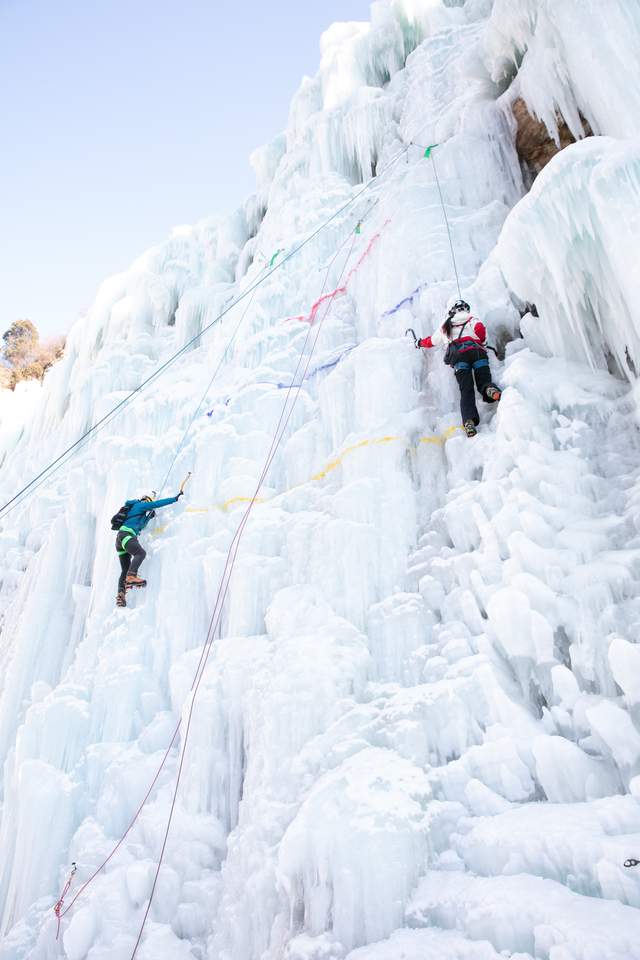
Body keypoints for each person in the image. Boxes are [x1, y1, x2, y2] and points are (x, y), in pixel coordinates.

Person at [416, 298, 501, 437]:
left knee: (466, 389)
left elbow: (432, 341)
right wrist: (483, 343)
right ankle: (489, 389)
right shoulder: (472, 319)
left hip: (459, 358)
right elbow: (480, 329)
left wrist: (419, 343)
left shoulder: (447, 324)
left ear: (453, 311)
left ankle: (469, 421)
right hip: (477, 352)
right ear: (466, 309)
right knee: (483, 380)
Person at [115, 492, 184, 607]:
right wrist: (174, 499)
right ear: (146, 501)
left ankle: (121, 595)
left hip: (120, 539)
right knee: (140, 553)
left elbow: (140, 525)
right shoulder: (140, 505)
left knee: (125, 569)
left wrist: (148, 518)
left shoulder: (136, 512)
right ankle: (131, 576)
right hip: (127, 535)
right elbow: (157, 504)